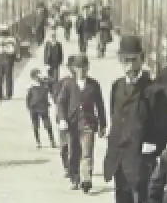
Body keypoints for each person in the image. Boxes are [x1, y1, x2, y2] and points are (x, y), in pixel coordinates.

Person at [103, 34, 166, 203]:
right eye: (124, 61)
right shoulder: (117, 86)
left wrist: (154, 144)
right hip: (119, 158)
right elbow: (115, 119)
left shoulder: (153, 90)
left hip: (141, 158)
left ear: (142, 59)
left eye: (133, 60)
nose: (128, 65)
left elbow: (164, 123)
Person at [57, 53, 107, 193]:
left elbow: (100, 105)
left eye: (84, 68)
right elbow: (60, 103)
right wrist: (62, 119)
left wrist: (103, 124)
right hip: (72, 125)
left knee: (87, 152)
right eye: (79, 68)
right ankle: (75, 177)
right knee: (73, 152)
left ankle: (86, 179)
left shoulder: (93, 85)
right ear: (74, 69)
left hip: (88, 124)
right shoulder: (68, 84)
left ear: (88, 68)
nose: (82, 71)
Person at [54, 55, 76, 179]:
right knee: (64, 146)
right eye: (72, 67)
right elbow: (57, 99)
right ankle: (66, 166)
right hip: (63, 119)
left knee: (74, 145)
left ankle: (73, 168)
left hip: (76, 120)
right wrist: (61, 117)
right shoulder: (63, 82)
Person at [25, 68, 56, 149]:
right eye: (37, 76)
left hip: (43, 107)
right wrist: (29, 107)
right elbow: (28, 98)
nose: (38, 78)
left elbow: (53, 82)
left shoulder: (45, 84)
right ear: (33, 77)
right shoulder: (31, 86)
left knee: (48, 125)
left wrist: (46, 77)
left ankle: (52, 140)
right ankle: (38, 142)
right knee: (35, 126)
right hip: (34, 108)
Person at [0, 24, 17, 99]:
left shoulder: (1, 39)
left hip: (3, 57)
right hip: (8, 58)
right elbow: (13, 49)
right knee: (8, 76)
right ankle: (8, 94)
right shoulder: (12, 39)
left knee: (0, 76)